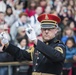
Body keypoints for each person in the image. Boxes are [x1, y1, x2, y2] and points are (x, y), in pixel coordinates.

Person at [0, 14, 66, 75]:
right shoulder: (38, 46)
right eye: (44, 29)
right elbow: (21, 54)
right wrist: (7, 44)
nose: (46, 31)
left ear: (56, 30)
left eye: (49, 29)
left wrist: (36, 41)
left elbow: (55, 56)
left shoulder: (59, 45)